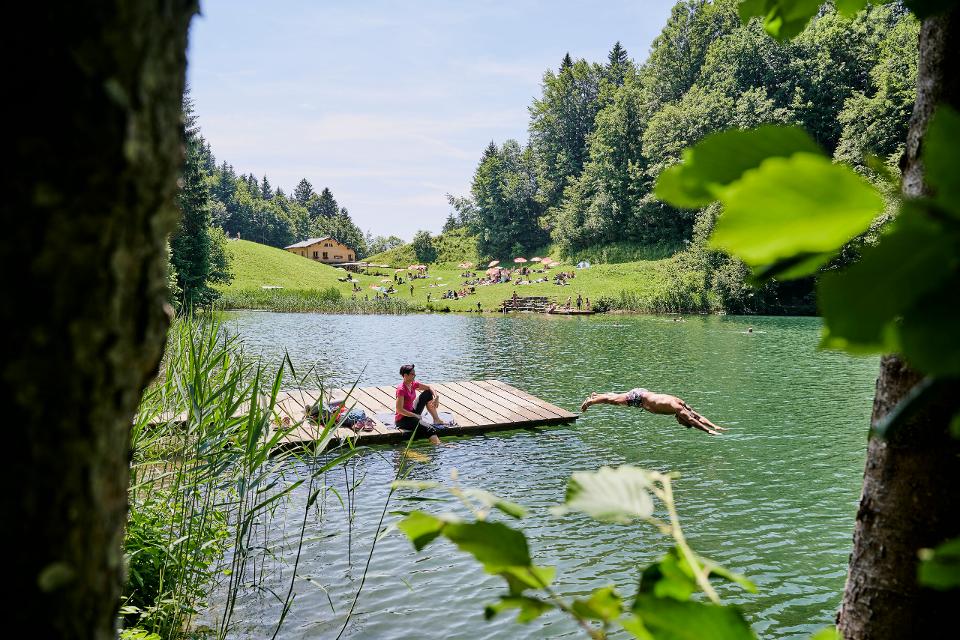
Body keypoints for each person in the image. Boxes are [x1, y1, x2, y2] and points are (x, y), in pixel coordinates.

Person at [580, 388, 726, 435]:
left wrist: (714, 426)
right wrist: (708, 431)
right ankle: (591, 401)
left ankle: (596, 396)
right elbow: (694, 421)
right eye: (681, 422)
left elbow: (698, 416)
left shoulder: (683, 406)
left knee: (615, 399)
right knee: (612, 401)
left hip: (642, 396)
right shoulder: (679, 410)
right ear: (683, 419)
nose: (678, 421)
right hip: (640, 398)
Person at [395, 364, 449, 444]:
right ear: (405, 375)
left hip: (412, 412)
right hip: (403, 419)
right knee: (430, 429)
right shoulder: (401, 390)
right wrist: (415, 416)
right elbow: (399, 410)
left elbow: (429, 387)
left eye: (415, 374)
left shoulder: (412, 384)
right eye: (412, 374)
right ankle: (439, 445)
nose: (414, 376)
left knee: (428, 393)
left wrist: (436, 396)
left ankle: (436, 419)